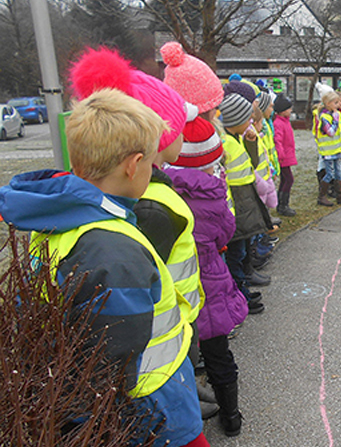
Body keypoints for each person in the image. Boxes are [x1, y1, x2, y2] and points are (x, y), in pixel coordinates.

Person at [0, 89, 208, 447]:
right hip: (151, 411)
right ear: (133, 164)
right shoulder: (114, 254)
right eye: (149, 164)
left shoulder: (65, 220)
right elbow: (109, 367)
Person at [67, 46, 216, 419]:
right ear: (136, 165)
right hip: (152, 377)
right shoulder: (135, 223)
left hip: (161, 357)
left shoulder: (106, 214)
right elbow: (119, 336)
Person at [164, 116, 248, 437]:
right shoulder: (213, 193)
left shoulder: (158, 191)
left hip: (174, 286)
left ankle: (188, 413)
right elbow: (226, 232)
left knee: (179, 354)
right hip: (209, 284)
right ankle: (231, 416)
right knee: (218, 352)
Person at [218, 92, 274, 296]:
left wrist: (250, 143)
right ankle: (240, 288)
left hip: (246, 194)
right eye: (248, 119)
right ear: (236, 120)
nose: (251, 122)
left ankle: (246, 278)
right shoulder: (225, 142)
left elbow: (250, 163)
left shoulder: (238, 138)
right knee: (237, 249)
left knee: (245, 242)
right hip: (236, 198)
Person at [313, 83, 341, 206]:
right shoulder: (325, 117)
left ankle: (340, 194)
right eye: (336, 103)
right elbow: (330, 132)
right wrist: (336, 119)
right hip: (328, 151)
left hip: (338, 149)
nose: (339, 105)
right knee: (329, 173)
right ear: (328, 104)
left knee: (339, 172)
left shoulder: (337, 114)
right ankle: (322, 196)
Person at [272, 93, 297, 216]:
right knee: (288, 179)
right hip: (283, 157)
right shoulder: (278, 123)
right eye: (289, 108)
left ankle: (281, 204)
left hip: (286, 155)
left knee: (285, 179)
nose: (291, 110)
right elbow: (278, 140)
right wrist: (281, 155)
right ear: (282, 110)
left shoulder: (285, 121)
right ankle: (283, 205)